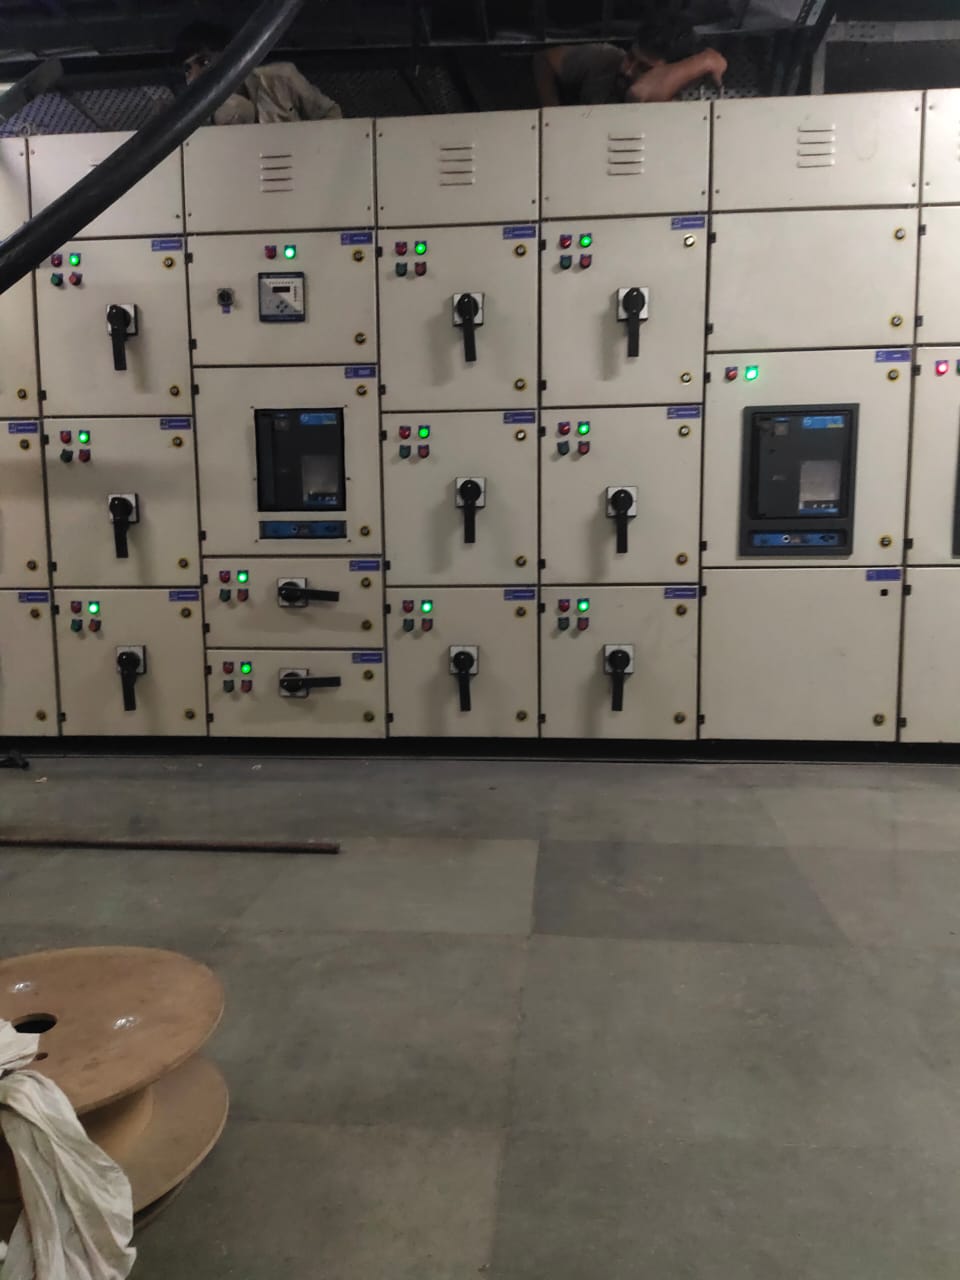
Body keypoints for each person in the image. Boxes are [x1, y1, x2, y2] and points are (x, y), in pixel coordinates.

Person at [534, 8, 727, 107]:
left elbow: (637, 93)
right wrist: (552, 112)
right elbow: (545, 59)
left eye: (643, 67)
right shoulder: (607, 59)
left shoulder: (670, 109)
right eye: (631, 56)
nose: (627, 70)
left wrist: (706, 60)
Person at [174, 22, 342, 124]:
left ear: (231, 59)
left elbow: (330, 114)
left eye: (204, 62)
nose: (195, 76)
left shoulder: (282, 77)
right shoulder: (192, 119)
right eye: (187, 69)